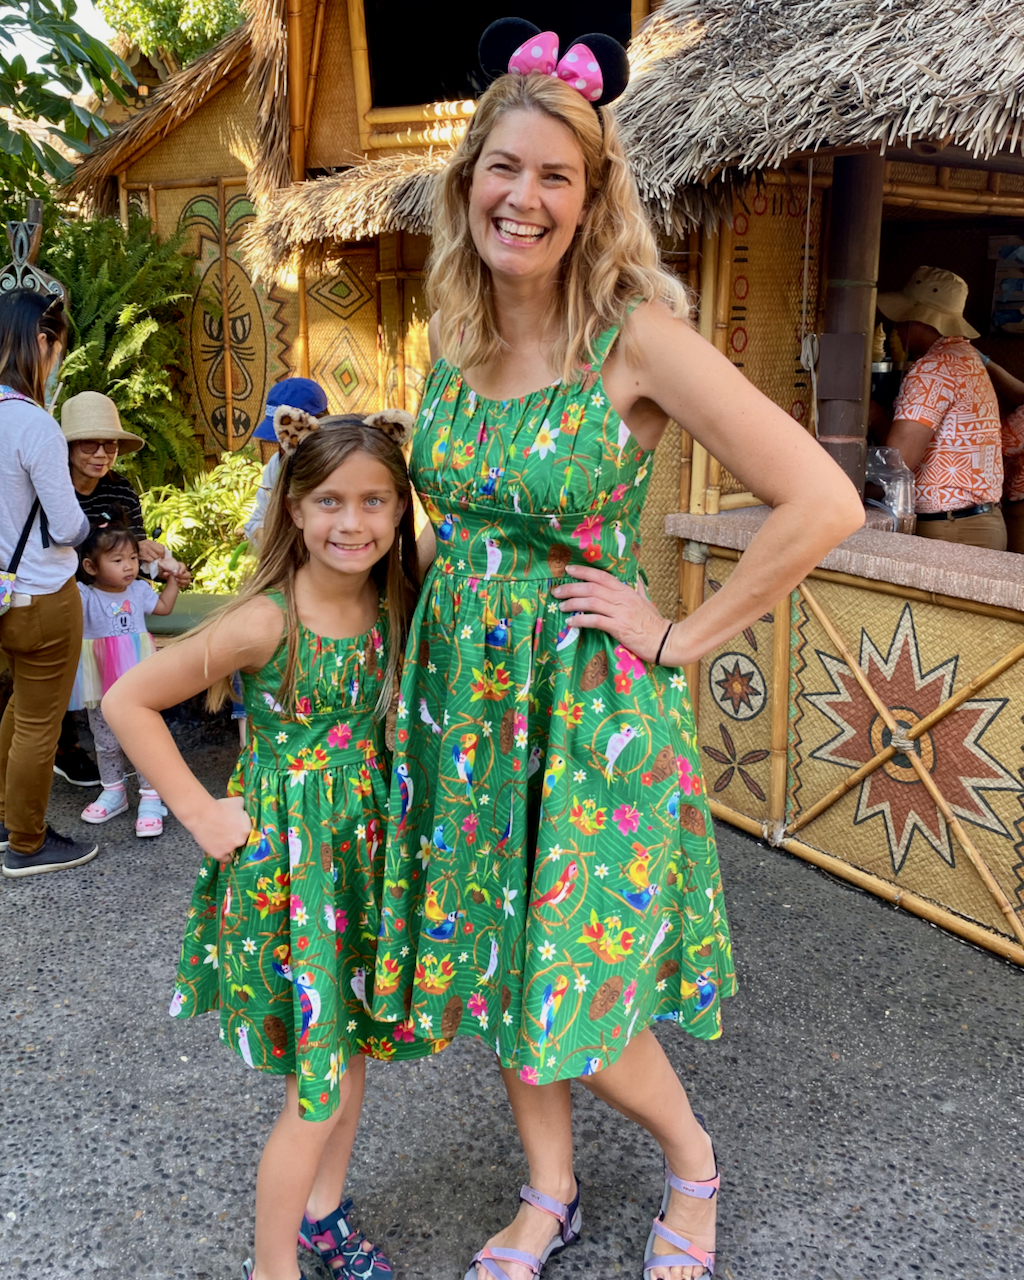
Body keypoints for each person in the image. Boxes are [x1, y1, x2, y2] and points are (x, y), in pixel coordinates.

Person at [369, 30, 864, 1280]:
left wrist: (680, 632)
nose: (521, 199)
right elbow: (440, 532)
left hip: (585, 702)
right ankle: (551, 1189)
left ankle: (693, 1164)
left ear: (593, 202)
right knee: (493, 950)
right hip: (459, 702)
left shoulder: (631, 333)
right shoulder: (451, 327)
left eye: (554, 177)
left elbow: (819, 499)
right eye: (502, 168)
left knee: (576, 977)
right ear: (466, 179)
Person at [103, 408, 439, 1280]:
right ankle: (272, 1267)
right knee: (317, 1087)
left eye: (376, 502)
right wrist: (202, 811)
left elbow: (450, 530)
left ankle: (322, 1218)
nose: (353, 522)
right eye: (329, 501)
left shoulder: (395, 593)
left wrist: (413, 457)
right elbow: (127, 701)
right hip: (292, 878)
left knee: (351, 1055)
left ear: (401, 511)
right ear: (292, 508)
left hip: (361, 865)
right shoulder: (265, 622)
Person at [0, 289, 99, 878]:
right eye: (57, 346)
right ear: (40, 341)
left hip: (3, 595)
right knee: (40, 721)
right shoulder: (32, 424)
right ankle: (28, 841)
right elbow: (66, 524)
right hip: (43, 595)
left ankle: (5, 815)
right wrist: (92, 528)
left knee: (18, 707)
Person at [54, 391, 181, 787]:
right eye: (90, 442)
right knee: (56, 678)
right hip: (62, 594)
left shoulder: (122, 489)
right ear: (69, 445)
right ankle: (64, 749)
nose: (101, 452)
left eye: (109, 443)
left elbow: (133, 553)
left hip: (112, 605)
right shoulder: (52, 487)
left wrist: (159, 565)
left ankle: (132, 769)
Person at [70, 517, 186, 836]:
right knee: (106, 740)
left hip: (139, 676)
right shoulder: (84, 595)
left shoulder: (138, 590)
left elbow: (162, 608)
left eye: (133, 558)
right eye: (118, 560)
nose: (129, 566)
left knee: (144, 736)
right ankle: (113, 791)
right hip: (101, 679)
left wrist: (174, 580)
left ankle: (151, 796)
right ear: (91, 566)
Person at [880, 267, 1007, 550]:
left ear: (918, 318)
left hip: (949, 529)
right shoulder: (966, 356)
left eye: (902, 319)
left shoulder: (933, 368)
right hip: (980, 522)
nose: (897, 329)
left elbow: (898, 461)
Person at [233, 378, 330, 743]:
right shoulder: (276, 465)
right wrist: (268, 537)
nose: (284, 443)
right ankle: (250, 743)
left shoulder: (334, 462)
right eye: (279, 433)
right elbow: (256, 521)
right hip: (281, 575)